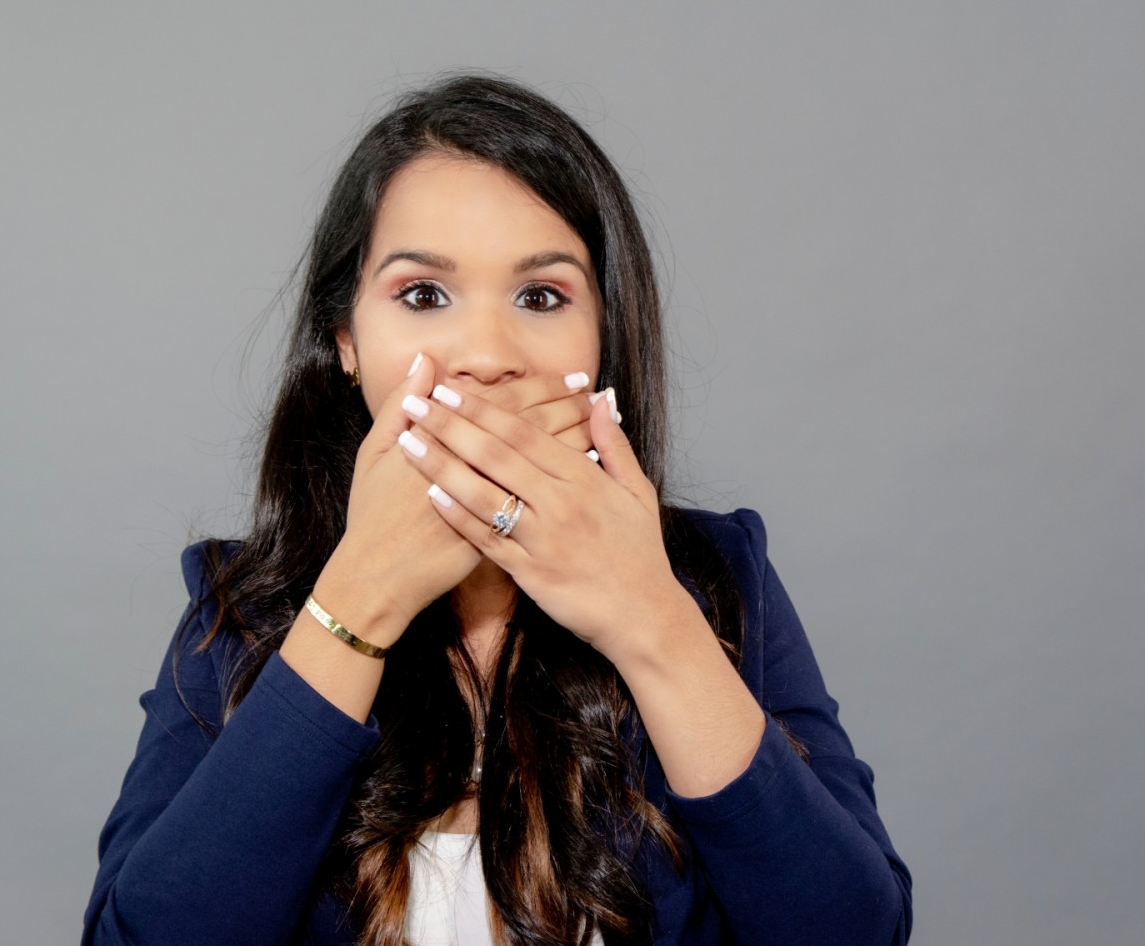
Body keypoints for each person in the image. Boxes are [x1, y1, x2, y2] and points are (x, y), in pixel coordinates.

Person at [83, 74, 912, 946]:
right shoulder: (240, 611)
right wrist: (359, 599)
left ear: (602, 338)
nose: (485, 355)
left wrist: (651, 620)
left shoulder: (720, 579)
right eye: (423, 295)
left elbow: (855, 933)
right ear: (347, 342)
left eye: (541, 297)